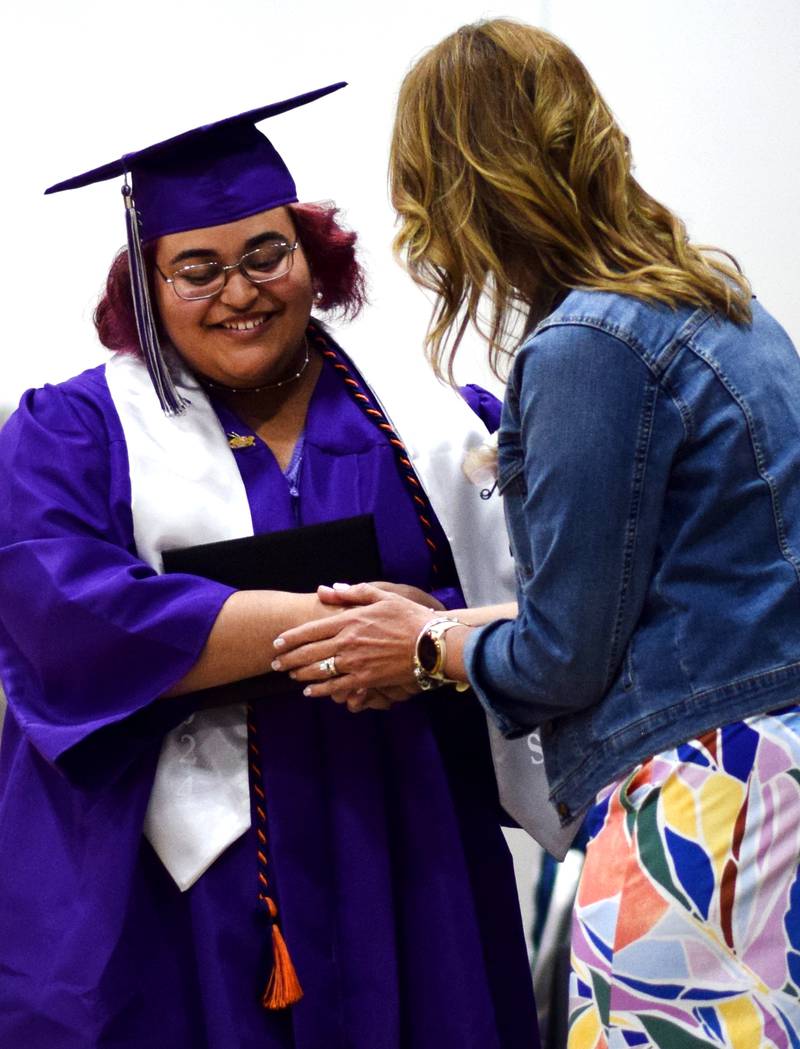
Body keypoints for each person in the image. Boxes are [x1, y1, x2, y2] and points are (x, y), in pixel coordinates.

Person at [271, 22, 800, 1048]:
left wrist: (425, 644)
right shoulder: (724, 307)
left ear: (453, 190)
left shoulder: (582, 347)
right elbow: (671, 593)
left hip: (699, 809)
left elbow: (564, 655)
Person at [0, 83, 540, 1048]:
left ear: (313, 256)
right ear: (147, 287)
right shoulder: (74, 433)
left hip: (408, 842)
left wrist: (425, 635)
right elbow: (63, 615)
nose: (240, 291)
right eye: (196, 269)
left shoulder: (429, 421)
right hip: (183, 879)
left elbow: (532, 602)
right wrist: (374, 630)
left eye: (266, 255)